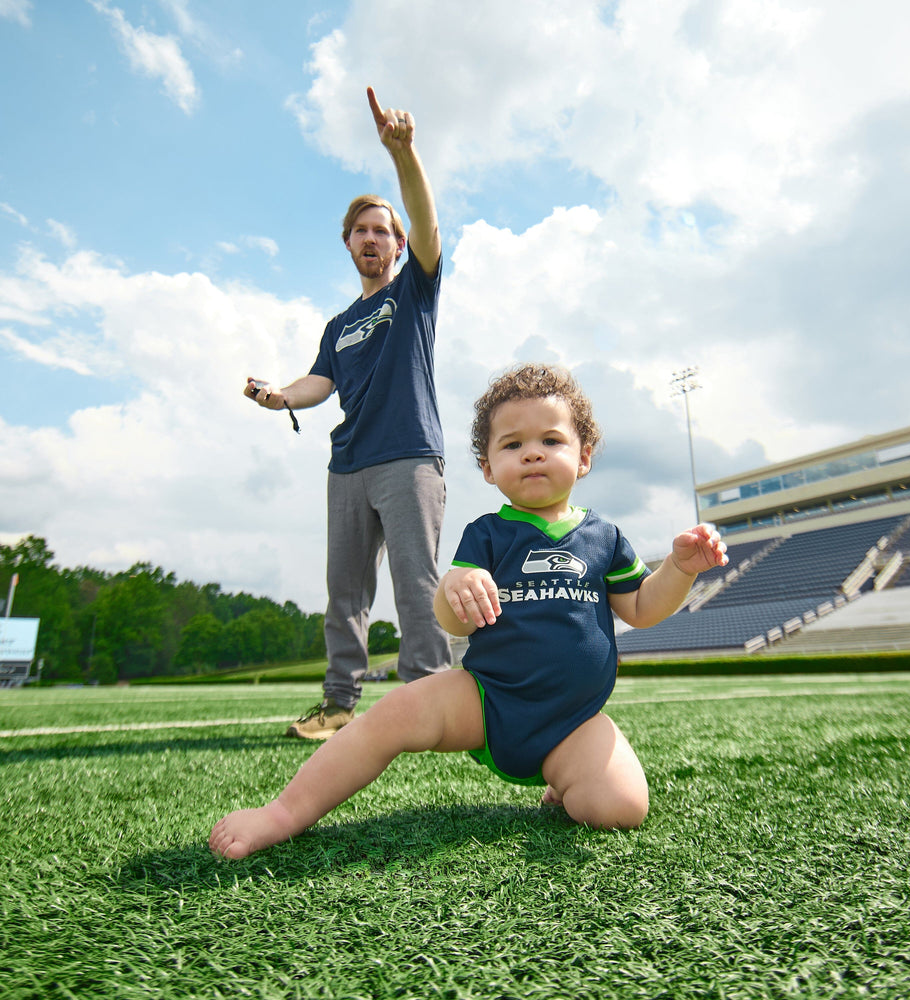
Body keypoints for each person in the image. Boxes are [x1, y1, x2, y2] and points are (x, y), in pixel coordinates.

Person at [210, 364, 728, 859]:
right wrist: (458, 583)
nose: (532, 454)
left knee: (621, 809)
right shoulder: (488, 532)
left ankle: (566, 776)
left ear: (584, 455)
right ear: (487, 467)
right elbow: (452, 620)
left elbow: (640, 607)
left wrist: (680, 569)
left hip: (573, 721)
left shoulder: (605, 536)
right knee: (391, 715)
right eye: (512, 444)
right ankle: (283, 812)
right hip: (485, 700)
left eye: (551, 440)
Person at [245, 87, 451, 740]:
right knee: (345, 596)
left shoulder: (414, 291)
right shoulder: (338, 325)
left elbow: (427, 221)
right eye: (361, 230)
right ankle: (338, 707)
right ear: (347, 243)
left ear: (396, 245)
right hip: (348, 464)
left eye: (382, 231)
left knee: (417, 587)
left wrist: (404, 154)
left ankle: (427, 704)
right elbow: (318, 383)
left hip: (409, 455)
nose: (372, 238)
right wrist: (281, 395)